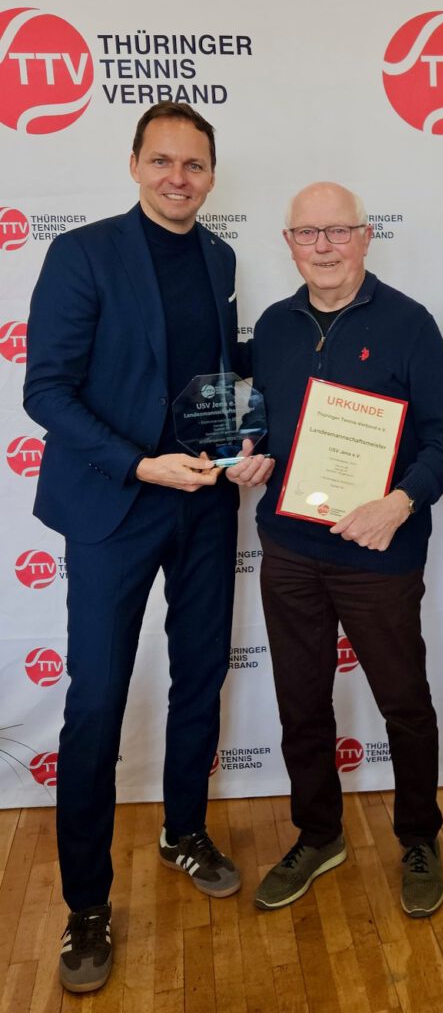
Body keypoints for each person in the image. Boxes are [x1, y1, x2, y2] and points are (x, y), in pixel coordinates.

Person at [24, 102, 243, 993]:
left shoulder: (220, 257)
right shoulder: (82, 254)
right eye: (162, 161)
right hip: (115, 504)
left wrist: (243, 444)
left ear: (211, 175)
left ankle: (182, 828)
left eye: (194, 164)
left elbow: (215, 379)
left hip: (206, 504)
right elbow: (46, 391)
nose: (178, 178)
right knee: (96, 702)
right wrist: (140, 464)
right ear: (134, 165)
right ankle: (86, 903)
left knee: (201, 674)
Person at [228, 181, 443, 918]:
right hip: (290, 549)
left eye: (338, 231)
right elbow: (267, 425)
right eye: (308, 233)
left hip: (379, 552)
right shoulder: (275, 326)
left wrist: (399, 503)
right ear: (289, 243)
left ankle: (419, 838)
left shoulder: (408, 323)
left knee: (404, 703)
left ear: (366, 237)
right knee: (301, 702)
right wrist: (253, 455)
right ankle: (318, 834)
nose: (324, 246)